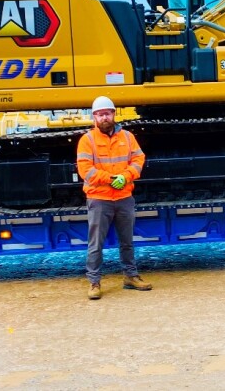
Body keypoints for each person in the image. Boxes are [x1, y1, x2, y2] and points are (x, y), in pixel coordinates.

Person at [77, 96, 151, 300]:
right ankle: (94, 282)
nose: (104, 117)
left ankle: (130, 276)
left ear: (113, 114)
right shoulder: (87, 140)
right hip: (99, 198)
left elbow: (138, 158)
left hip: (124, 197)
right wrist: (111, 179)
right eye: (100, 114)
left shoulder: (127, 137)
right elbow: (85, 170)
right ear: (94, 117)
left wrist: (126, 177)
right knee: (96, 244)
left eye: (107, 113)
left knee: (127, 241)